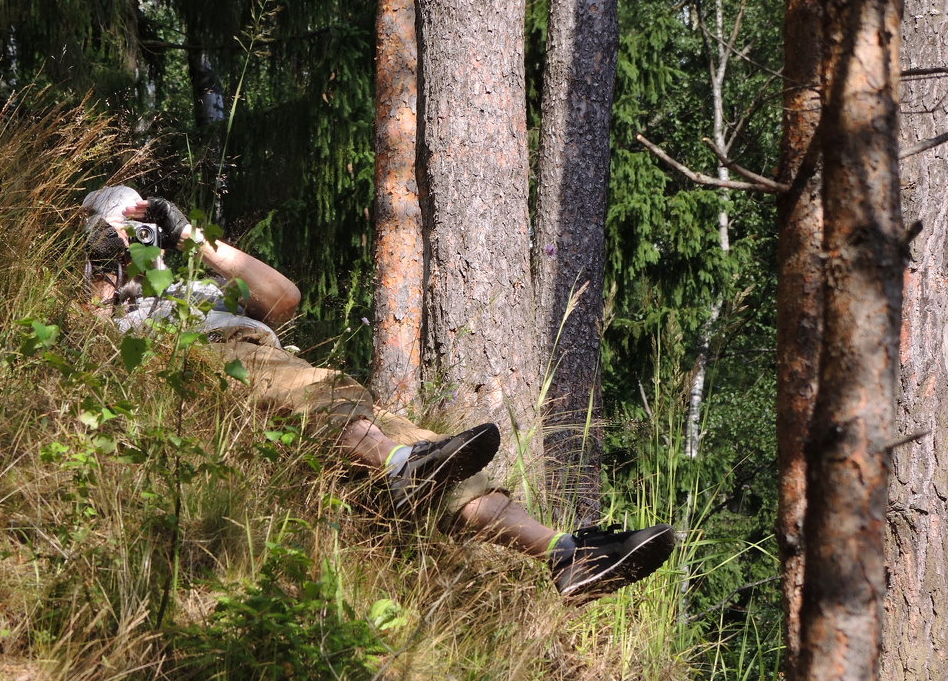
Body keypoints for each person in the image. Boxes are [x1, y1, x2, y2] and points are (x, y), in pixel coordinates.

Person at [81, 185, 676, 604]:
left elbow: (282, 297)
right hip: (233, 374)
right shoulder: (117, 320)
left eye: (143, 227)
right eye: (127, 232)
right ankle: (402, 468)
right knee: (323, 396)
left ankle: (569, 554)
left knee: (450, 468)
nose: (140, 241)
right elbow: (89, 335)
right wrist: (103, 266)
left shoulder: (197, 291)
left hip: (284, 374)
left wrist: (190, 235)